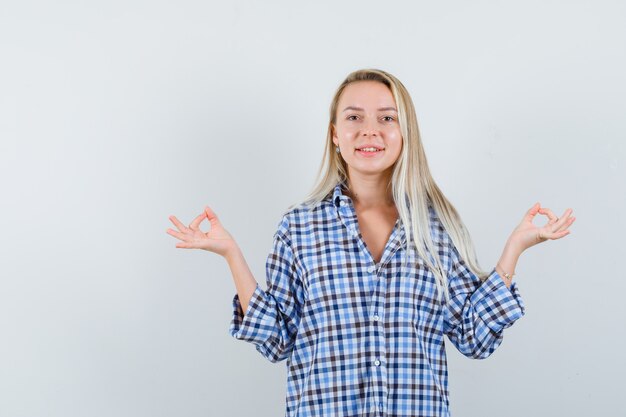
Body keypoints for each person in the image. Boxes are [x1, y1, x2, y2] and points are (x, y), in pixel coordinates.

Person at [166, 68, 575, 417]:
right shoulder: (299, 227)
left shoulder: (437, 228)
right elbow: (277, 341)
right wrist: (231, 254)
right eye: (354, 117)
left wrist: (514, 250)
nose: (370, 131)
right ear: (335, 135)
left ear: (404, 132)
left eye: (386, 118)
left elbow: (474, 337)